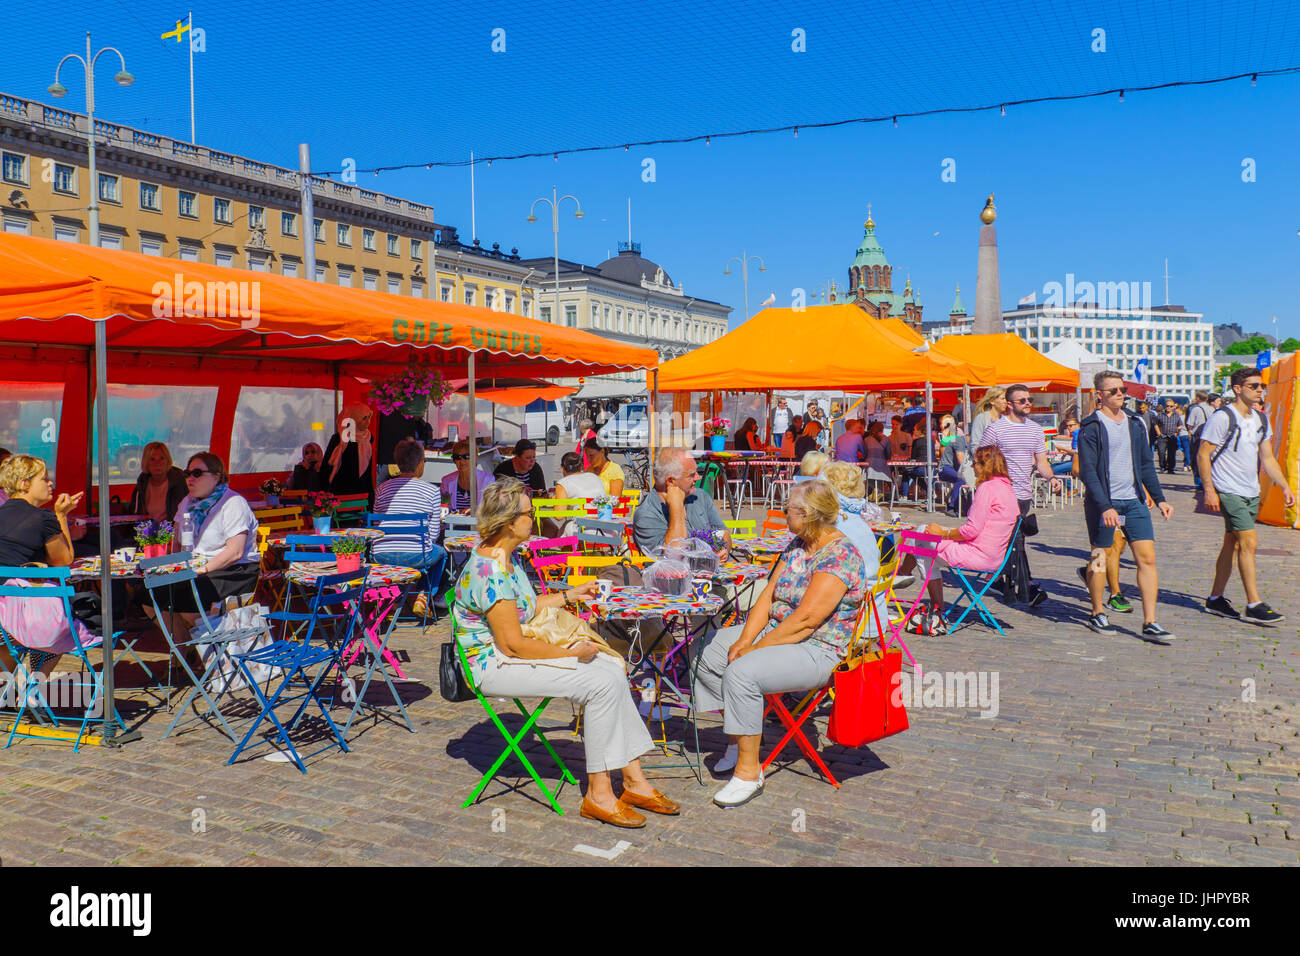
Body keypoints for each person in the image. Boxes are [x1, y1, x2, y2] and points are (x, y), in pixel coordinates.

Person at [453, 479, 677, 828]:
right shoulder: (491, 571)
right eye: (530, 513)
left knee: (611, 669)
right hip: (492, 665)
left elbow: (524, 609)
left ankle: (634, 781)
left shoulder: (505, 557)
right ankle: (599, 794)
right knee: (599, 683)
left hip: (509, 652)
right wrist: (572, 656)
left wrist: (571, 595)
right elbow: (513, 643)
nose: (535, 518)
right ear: (511, 522)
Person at [693, 479, 867, 807]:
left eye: (788, 508)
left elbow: (806, 622)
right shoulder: (799, 544)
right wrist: (744, 639)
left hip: (818, 648)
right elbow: (768, 595)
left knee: (743, 672)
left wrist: (754, 649)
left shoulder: (840, 554)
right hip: (779, 631)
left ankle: (748, 772)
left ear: (808, 514)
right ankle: (738, 736)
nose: (782, 512)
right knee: (706, 650)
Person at [1076, 371, 1175, 639]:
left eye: (1122, 390)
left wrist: (1160, 497)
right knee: (1100, 558)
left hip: (1134, 502)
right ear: (1099, 396)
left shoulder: (1134, 422)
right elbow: (1088, 471)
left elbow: (1145, 465)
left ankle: (1150, 621)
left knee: (1148, 558)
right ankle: (1097, 612)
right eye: (1114, 391)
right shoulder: (1091, 426)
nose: (1120, 395)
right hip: (1104, 504)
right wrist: (1105, 506)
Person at [1198, 367, 1294, 625]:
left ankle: (1216, 599)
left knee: (1234, 544)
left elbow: (1267, 458)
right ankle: (1254, 604)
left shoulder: (1261, 419)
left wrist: (1284, 485)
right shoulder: (1223, 417)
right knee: (1250, 542)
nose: (1260, 390)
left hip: (1251, 490)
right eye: (1254, 386)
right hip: (1229, 489)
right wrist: (1209, 489)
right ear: (1237, 389)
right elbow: (1203, 453)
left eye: (1261, 385)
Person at [895, 446, 1020, 634]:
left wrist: (943, 533)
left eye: (975, 463)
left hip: (978, 555)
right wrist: (942, 531)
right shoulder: (1006, 488)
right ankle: (903, 575)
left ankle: (905, 578)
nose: (972, 466)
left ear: (985, 465)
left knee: (920, 539)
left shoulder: (987, 488)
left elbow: (971, 530)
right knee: (920, 535)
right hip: (995, 556)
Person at [0, 455, 91, 694]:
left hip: (3, 620)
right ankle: (35, 685)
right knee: (67, 615)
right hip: (30, 620)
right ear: (24, 484)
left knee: (14, 630)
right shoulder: (43, 518)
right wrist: (61, 516)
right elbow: (64, 561)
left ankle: (4, 686)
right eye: (45, 479)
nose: (51, 484)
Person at [146, 453, 260, 642]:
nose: (190, 478)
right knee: (149, 595)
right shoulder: (187, 502)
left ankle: (212, 646)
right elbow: (176, 541)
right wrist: (170, 567)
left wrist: (201, 570)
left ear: (216, 476)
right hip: (196, 567)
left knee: (184, 599)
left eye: (197, 473)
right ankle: (184, 649)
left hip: (231, 571)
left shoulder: (233, 503)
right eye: (188, 473)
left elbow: (235, 551)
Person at [977, 384, 1062, 607]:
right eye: (1022, 400)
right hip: (1002, 493)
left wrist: (1051, 478)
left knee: (1013, 540)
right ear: (1009, 404)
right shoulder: (996, 429)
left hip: (1024, 494)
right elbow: (981, 459)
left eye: (1029, 399)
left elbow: (1041, 461)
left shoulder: (1035, 429)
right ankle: (1029, 587)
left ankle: (998, 578)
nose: (1027, 403)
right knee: (1017, 539)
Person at [373, 438, 447, 619]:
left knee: (424, 550)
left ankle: (394, 600)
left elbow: (376, 526)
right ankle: (423, 596)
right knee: (441, 553)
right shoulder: (431, 491)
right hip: (417, 555)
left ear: (398, 463)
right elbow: (434, 534)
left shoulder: (382, 489)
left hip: (381, 554)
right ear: (421, 463)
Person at [632, 447, 729, 556]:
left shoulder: (700, 496)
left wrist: (722, 550)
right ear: (671, 481)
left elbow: (724, 533)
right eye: (692, 475)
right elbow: (675, 557)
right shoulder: (646, 515)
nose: (698, 478)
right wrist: (677, 507)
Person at [323, 403, 376, 502]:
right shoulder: (339, 439)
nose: (368, 422)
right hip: (340, 492)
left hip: (361, 492)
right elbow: (326, 467)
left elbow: (368, 471)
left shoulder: (368, 438)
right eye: (364, 418)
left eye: (369, 417)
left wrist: (370, 496)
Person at [127, 441, 187, 523]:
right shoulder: (141, 484)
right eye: (152, 459)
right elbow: (133, 516)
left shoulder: (181, 482)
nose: (157, 463)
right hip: (147, 532)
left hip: (173, 532)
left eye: (161, 458)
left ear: (168, 461)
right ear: (146, 462)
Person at [440, 440, 496, 513]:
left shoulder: (488, 480)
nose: (462, 461)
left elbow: (492, 509)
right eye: (457, 457)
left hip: (479, 523)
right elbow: (443, 508)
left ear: (475, 458)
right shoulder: (447, 481)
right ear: (454, 460)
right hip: (453, 523)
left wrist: (476, 512)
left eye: (467, 456)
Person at [936, 414, 968, 517]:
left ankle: (952, 499)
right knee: (962, 479)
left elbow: (942, 455)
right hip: (947, 467)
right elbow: (957, 458)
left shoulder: (951, 437)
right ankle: (952, 504)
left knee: (961, 479)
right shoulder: (949, 438)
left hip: (947, 468)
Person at [1185, 390, 1211, 488]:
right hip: (1208, 437)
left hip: (1197, 437)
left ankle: (1198, 482)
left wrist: (1190, 432)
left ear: (1198, 398)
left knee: (1196, 459)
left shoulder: (1195, 409)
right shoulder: (1211, 409)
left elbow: (1189, 424)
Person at [1153, 398, 1183, 475]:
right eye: (1167, 406)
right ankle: (1163, 466)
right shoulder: (1160, 415)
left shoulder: (1176, 415)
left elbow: (1180, 425)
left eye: (1171, 406)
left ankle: (1171, 468)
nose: (1169, 408)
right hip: (1162, 436)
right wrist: (1159, 433)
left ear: (1174, 407)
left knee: (1171, 454)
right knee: (1161, 452)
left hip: (1172, 437)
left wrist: (1176, 433)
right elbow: (1156, 424)